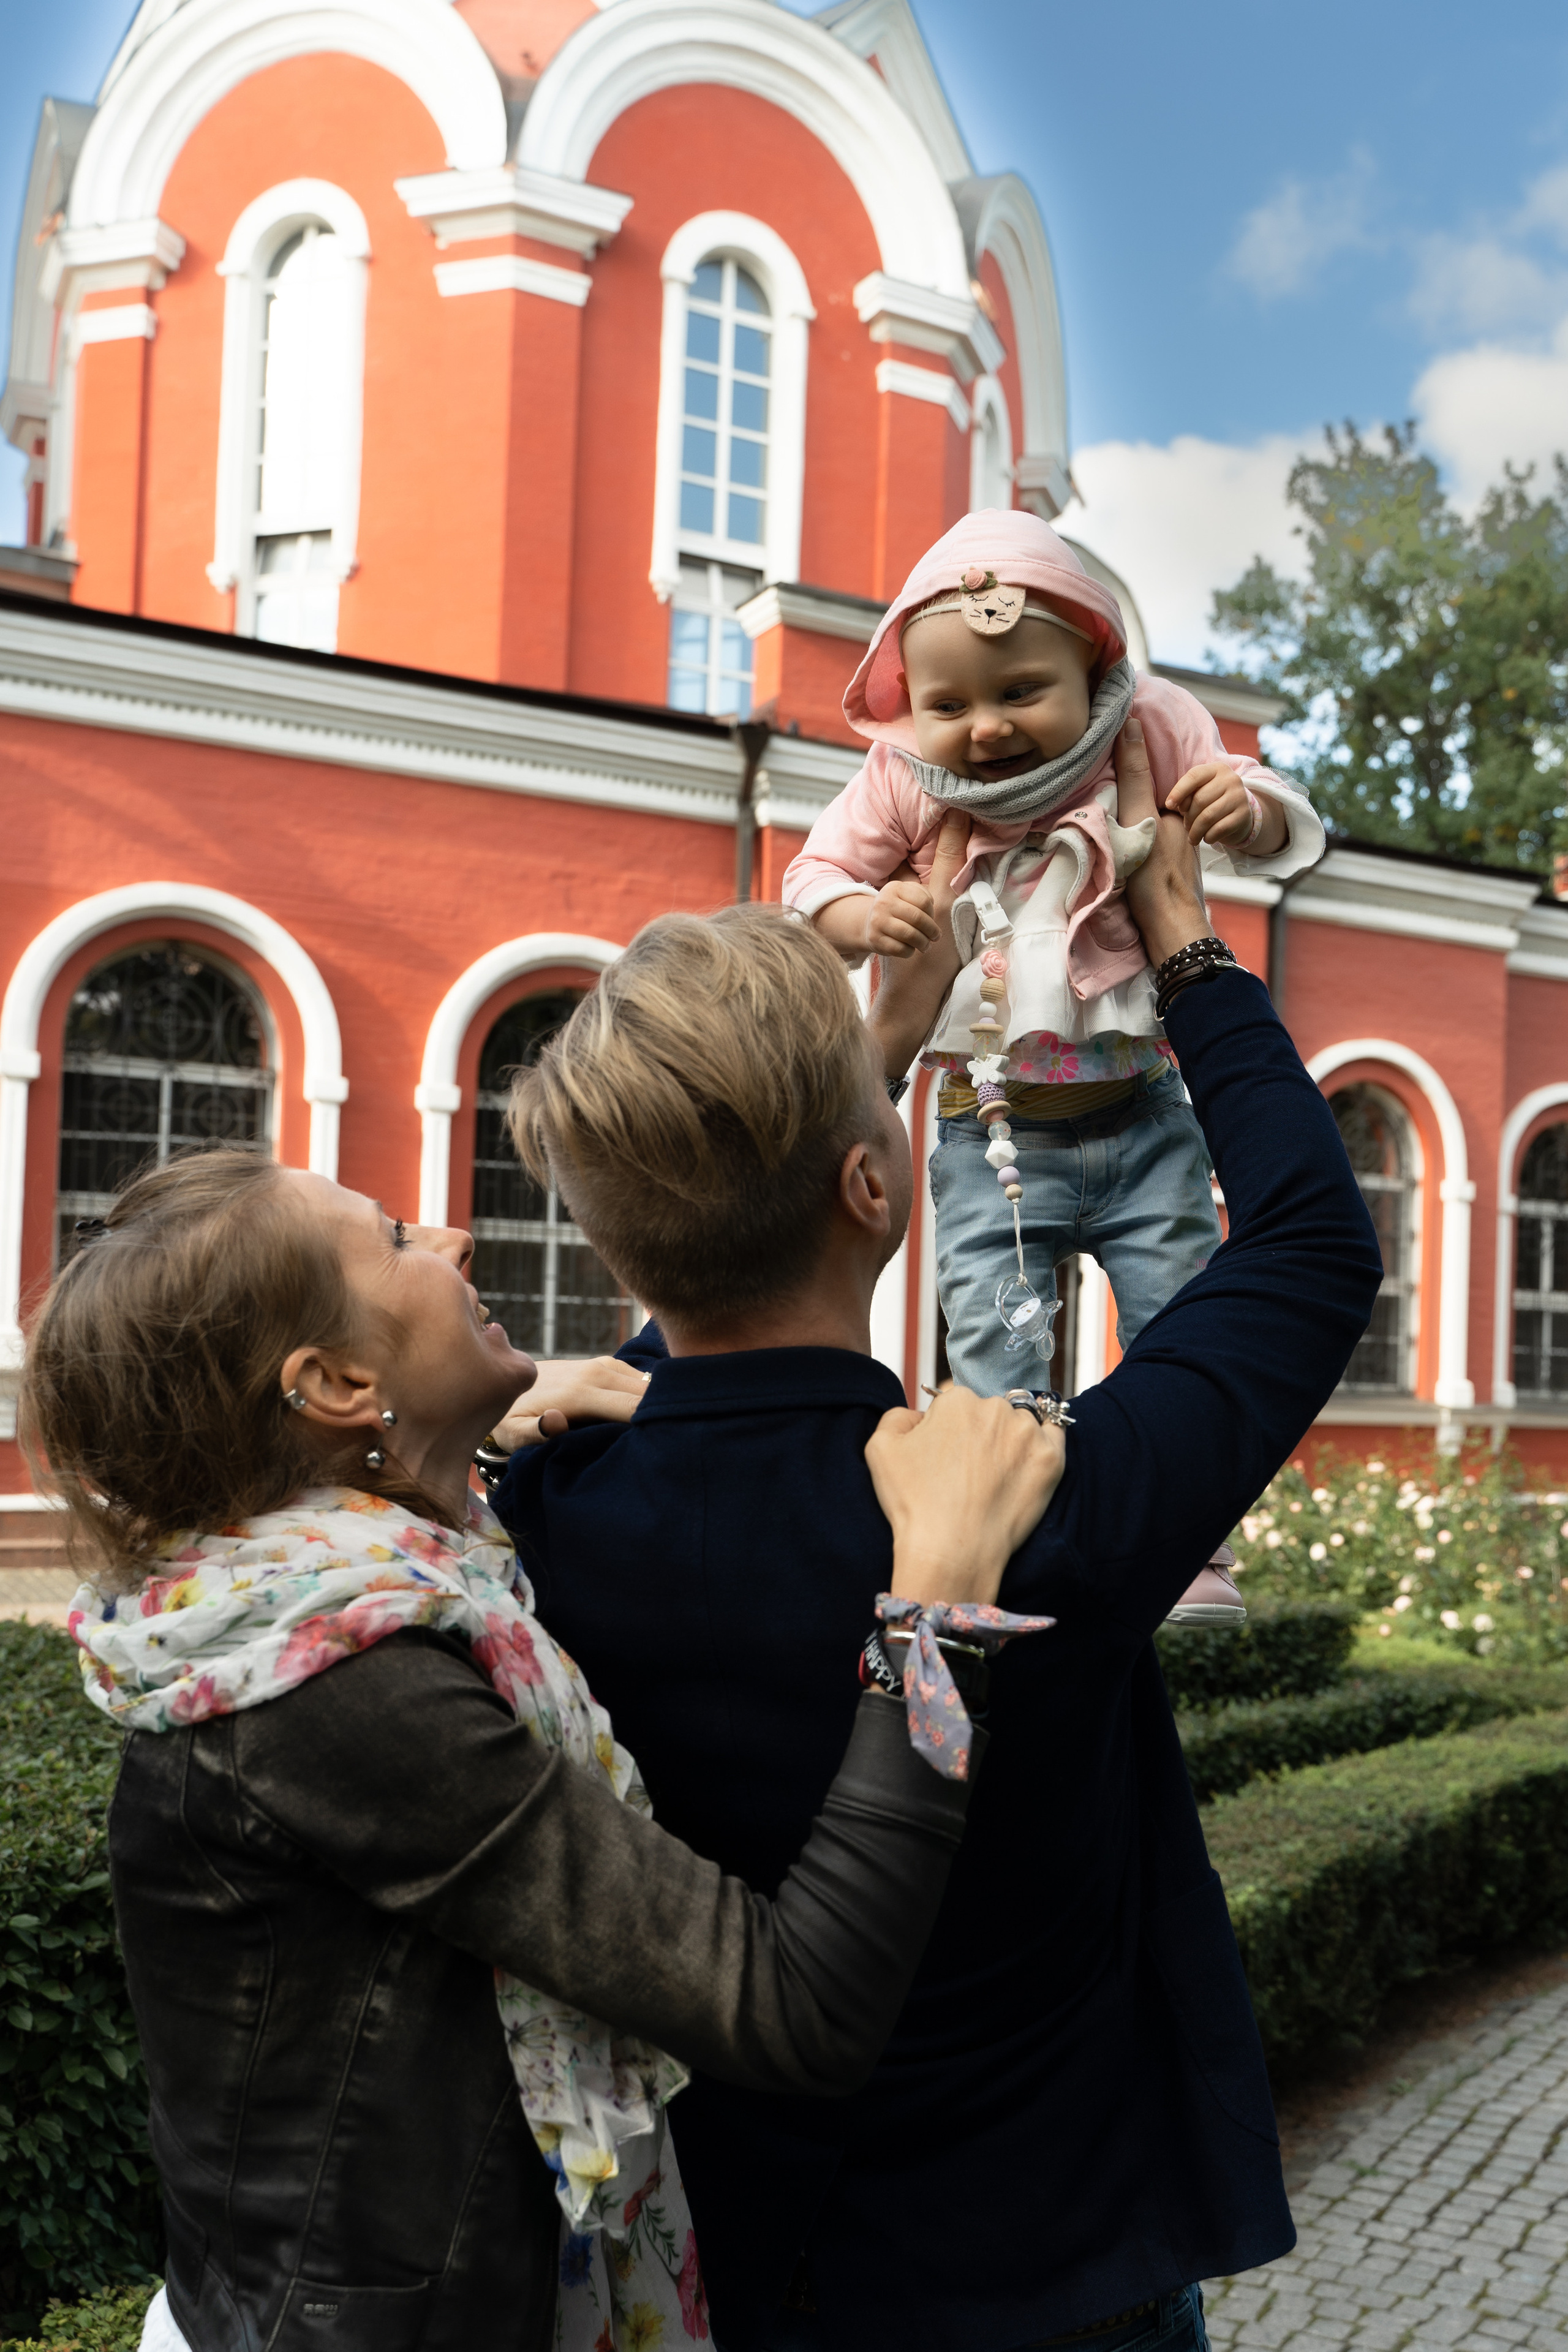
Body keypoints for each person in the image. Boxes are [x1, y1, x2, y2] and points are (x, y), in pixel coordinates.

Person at [492, 726, 1384, 2352]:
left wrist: (874, 1059)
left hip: (738, 2274)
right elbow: (1314, 1248)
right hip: (1053, 2276)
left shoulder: (549, 1506)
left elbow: (702, 1279)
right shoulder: (1023, 1506)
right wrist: (1186, 945)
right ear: (880, 1190)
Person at [19, 1150, 1061, 2352]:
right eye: (401, 1239)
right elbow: (796, 2004)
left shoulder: (320, 1581)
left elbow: (740, 1274)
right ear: (339, 1382)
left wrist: (438, 1430)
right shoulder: (349, 1693)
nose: (454, 1240)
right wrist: (934, 1607)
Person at [782, 509, 1325, 1625]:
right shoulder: (901, 780)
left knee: (1180, 1323)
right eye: (949, 705)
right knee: (995, 1338)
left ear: (1093, 661)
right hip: (996, 1134)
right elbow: (811, 877)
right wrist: (858, 909)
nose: (985, 728)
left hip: (1143, 1118)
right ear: (907, 707)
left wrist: (1248, 807)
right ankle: (1003, 1548)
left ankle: (1193, 1550)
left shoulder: (1152, 718)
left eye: (1021, 690)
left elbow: (1271, 809)